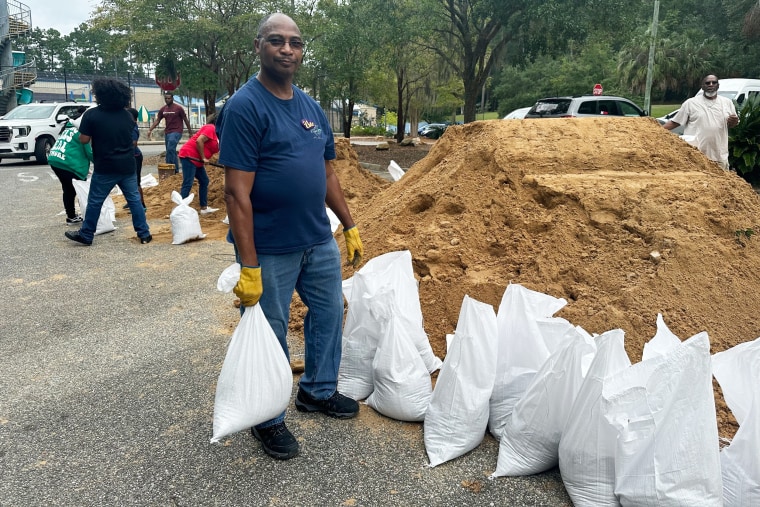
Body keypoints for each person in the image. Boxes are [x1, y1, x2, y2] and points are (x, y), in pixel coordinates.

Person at [217, 12, 364, 460]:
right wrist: (249, 265)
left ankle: (317, 391)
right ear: (258, 47)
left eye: (295, 42)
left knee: (328, 311)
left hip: (317, 239)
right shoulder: (245, 106)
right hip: (270, 246)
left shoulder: (310, 107)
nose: (287, 49)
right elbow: (235, 192)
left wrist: (350, 223)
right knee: (270, 330)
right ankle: (268, 417)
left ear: (302, 51)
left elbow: (326, 171)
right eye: (276, 40)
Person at [65, 77, 152, 246]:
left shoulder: (92, 115)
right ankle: (144, 234)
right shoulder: (127, 115)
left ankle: (86, 234)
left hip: (105, 166)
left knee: (95, 202)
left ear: (100, 95)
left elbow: (83, 140)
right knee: (134, 201)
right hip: (127, 165)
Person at [663, 74, 740, 170]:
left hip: (719, 155)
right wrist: (655, 130)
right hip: (696, 156)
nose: (711, 85)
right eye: (707, 83)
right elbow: (675, 122)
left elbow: (732, 124)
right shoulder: (691, 103)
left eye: (714, 82)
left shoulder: (727, 102)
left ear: (718, 85)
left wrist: (734, 121)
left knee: (719, 183)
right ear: (702, 86)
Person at [48, 106, 92, 225]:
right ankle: (84, 215)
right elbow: (89, 153)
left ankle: (71, 216)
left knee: (68, 189)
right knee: (77, 188)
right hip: (67, 163)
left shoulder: (69, 127)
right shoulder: (82, 131)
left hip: (55, 159)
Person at [178, 113, 220, 215]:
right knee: (188, 182)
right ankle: (181, 209)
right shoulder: (211, 128)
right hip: (189, 156)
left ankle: (204, 208)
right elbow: (199, 141)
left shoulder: (218, 133)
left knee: (204, 181)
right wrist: (203, 157)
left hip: (197, 160)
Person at [147, 91, 193, 173]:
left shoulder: (178, 108)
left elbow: (185, 119)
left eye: (169, 98)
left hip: (177, 131)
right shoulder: (163, 109)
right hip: (168, 132)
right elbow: (157, 120)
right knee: (170, 150)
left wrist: (190, 131)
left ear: (172, 98)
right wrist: (150, 129)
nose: (167, 100)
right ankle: (169, 169)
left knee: (170, 148)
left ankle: (175, 169)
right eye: (166, 98)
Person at [126, 107, 147, 211]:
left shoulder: (133, 127)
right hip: (131, 156)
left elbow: (134, 143)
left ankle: (142, 204)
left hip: (135, 157)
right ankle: (131, 202)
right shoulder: (129, 125)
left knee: (136, 181)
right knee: (129, 180)